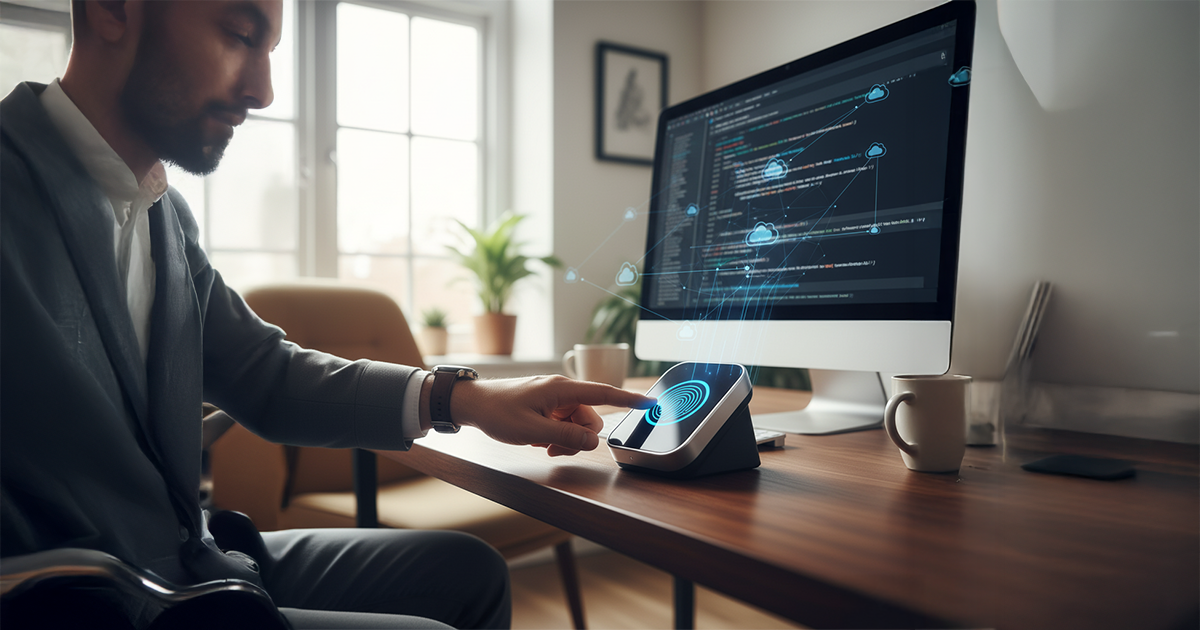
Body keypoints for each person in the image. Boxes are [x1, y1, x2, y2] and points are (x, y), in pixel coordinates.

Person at [0, 1, 655, 628]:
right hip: (101, 604)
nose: (263, 90)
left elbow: (265, 374)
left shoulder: (164, 216)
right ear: (114, 6)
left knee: (471, 572)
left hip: (194, 559)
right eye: (238, 33)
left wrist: (468, 399)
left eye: (271, 50)